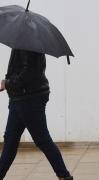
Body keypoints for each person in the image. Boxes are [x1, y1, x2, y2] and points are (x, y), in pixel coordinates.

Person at [0, 49, 73, 180]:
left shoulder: (27, 44)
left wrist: (8, 83)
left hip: (28, 99)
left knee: (42, 140)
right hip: (20, 98)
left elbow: (29, 73)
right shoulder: (27, 41)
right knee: (10, 140)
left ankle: (64, 176)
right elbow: (22, 68)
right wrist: (8, 82)